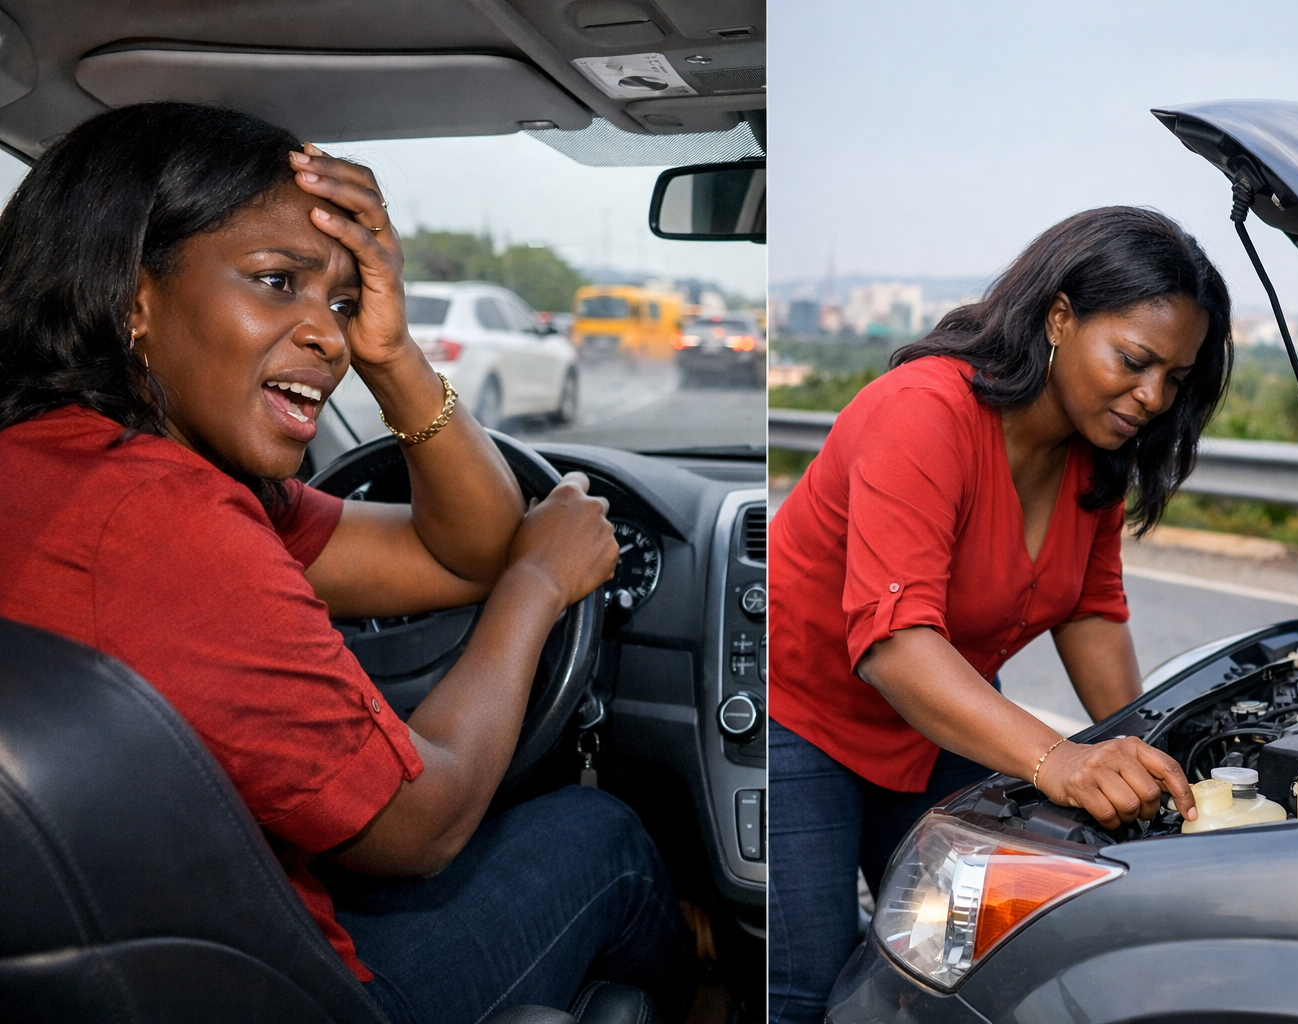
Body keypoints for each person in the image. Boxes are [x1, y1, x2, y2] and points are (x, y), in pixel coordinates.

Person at [0, 103, 693, 1023]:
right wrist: (539, 585)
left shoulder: (69, 463)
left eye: (339, 300)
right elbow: (419, 827)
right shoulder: (165, 519)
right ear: (132, 294)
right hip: (293, 994)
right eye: (276, 280)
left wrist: (391, 352)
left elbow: (462, 548)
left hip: (122, 970)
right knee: (601, 835)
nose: (328, 336)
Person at [766, 207, 1233, 1024]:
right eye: (1134, 360)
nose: (1154, 396)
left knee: (968, 963)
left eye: (1177, 378)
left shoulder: (1098, 451)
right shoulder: (921, 412)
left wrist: (1158, 754)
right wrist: (1060, 761)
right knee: (807, 986)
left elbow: (1088, 609)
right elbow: (898, 645)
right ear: (1059, 316)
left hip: (942, 728)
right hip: (803, 718)